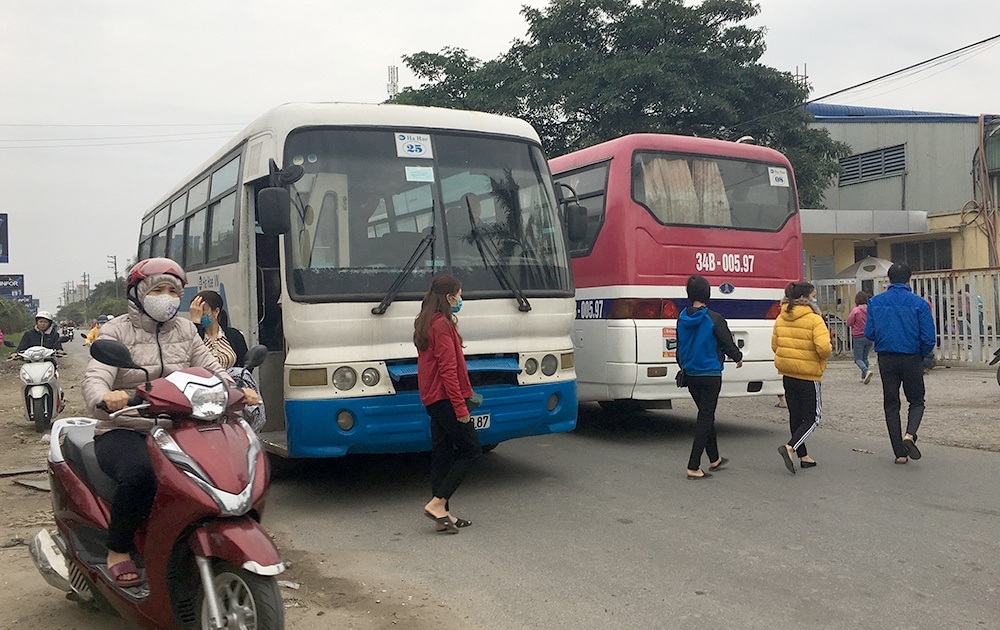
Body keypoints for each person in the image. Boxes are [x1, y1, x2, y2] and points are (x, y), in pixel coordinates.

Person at [82, 258, 259, 587]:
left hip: (178, 426)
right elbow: (95, 377)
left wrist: (236, 390)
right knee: (140, 474)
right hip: (126, 426)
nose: (167, 297)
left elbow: (211, 368)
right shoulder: (116, 331)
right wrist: (105, 397)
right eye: (158, 290)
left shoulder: (186, 330)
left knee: (223, 467)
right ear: (137, 294)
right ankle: (118, 549)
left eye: (173, 291)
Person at [414, 274, 480, 533]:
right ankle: (438, 503)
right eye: (459, 295)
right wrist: (460, 407)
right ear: (449, 297)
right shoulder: (441, 325)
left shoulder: (426, 320)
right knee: (471, 450)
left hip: (433, 398)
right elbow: (448, 370)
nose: (460, 299)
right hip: (445, 398)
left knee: (442, 453)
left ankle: (443, 517)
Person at [864, 263, 935, 465]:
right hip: (912, 357)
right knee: (917, 401)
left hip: (886, 358)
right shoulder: (919, 304)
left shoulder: (875, 302)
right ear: (908, 280)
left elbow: (869, 333)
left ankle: (899, 453)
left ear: (888, 279)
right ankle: (910, 434)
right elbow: (929, 337)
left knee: (891, 404)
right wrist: (922, 355)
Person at [676, 275, 743, 479]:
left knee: (706, 414)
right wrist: (737, 357)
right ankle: (693, 465)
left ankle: (714, 458)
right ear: (708, 294)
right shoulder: (714, 318)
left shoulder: (681, 318)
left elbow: (679, 347)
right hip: (710, 374)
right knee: (705, 417)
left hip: (690, 374)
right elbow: (726, 342)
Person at [772, 282, 832, 474]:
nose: (815, 299)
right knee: (813, 417)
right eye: (814, 296)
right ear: (805, 298)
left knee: (796, 415)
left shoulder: (781, 317)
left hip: (788, 373)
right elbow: (824, 348)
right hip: (809, 374)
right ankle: (791, 447)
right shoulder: (815, 319)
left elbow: (775, 345)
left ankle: (803, 456)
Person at [189, 290, 265, 431]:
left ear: (216, 312)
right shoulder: (193, 335)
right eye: (196, 312)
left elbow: (245, 366)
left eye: (203, 311)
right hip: (203, 395)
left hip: (232, 394)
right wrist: (195, 324)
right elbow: (190, 353)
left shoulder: (233, 335)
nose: (200, 315)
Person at [846, 291, 874, 384]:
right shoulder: (870, 310)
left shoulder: (856, 311)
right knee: (865, 357)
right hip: (869, 336)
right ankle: (864, 377)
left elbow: (849, 322)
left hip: (858, 336)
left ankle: (866, 371)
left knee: (858, 358)